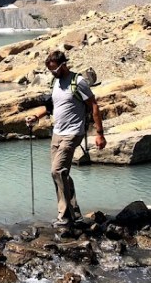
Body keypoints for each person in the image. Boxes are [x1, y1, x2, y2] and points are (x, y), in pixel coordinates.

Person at [26, 50, 106, 232]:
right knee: (59, 174)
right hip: (57, 132)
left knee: (57, 170)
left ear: (63, 65)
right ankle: (74, 214)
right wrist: (35, 117)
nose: (52, 73)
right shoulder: (56, 82)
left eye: (54, 69)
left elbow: (94, 106)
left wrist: (99, 133)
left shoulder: (78, 82)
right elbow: (51, 107)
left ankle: (64, 217)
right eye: (50, 70)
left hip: (73, 133)